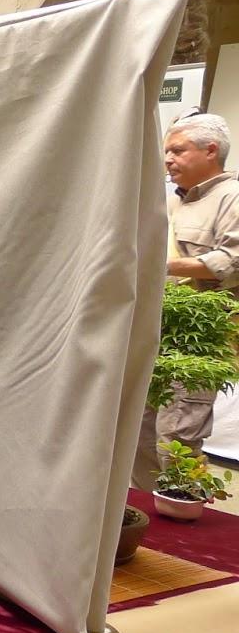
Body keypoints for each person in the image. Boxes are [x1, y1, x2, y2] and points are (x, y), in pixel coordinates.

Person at [135, 113, 239, 488]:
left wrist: (161, 265)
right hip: (155, 332)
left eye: (178, 150)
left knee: (177, 437)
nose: (168, 159)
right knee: (139, 434)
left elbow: (232, 262)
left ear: (210, 150)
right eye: (166, 151)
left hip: (199, 342)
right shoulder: (168, 203)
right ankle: (144, 512)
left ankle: (180, 513)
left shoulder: (232, 197)